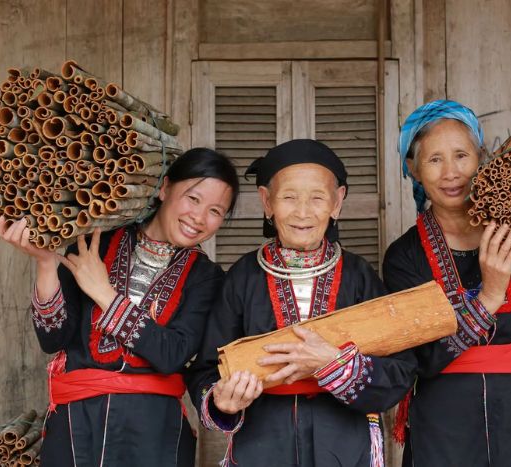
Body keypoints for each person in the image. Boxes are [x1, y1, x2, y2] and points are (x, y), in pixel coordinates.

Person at [187, 139, 494, 467]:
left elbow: (401, 370)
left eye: (317, 198)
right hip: (263, 447)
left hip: (346, 447)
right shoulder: (242, 278)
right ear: (267, 201)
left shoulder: (360, 277)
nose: (303, 212)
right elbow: (206, 369)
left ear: (337, 202)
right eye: (289, 197)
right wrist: (222, 400)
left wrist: (335, 363)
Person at [0, 148, 239, 467]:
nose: (199, 217)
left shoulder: (206, 277)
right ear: (165, 188)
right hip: (76, 425)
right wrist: (45, 262)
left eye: (215, 211)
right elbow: (52, 339)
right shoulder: (96, 243)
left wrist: (104, 294)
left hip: (156, 433)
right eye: (193, 199)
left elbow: (172, 354)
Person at [382, 100, 511, 466]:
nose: (451, 172)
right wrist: (489, 297)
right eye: (434, 159)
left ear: (482, 158)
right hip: (444, 421)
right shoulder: (404, 257)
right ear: (413, 169)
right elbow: (422, 359)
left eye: (461, 155)